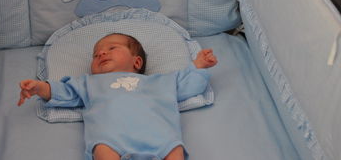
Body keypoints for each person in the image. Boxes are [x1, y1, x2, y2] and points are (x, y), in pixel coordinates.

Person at [18, 33, 217, 160]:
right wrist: (39, 88)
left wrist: (198, 66)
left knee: (175, 151)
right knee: (103, 150)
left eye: (111, 48)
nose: (102, 54)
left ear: (137, 62)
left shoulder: (161, 81)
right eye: (96, 55)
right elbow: (63, 92)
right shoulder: (88, 83)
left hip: (161, 138)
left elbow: (190, 86)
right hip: (111, 139)